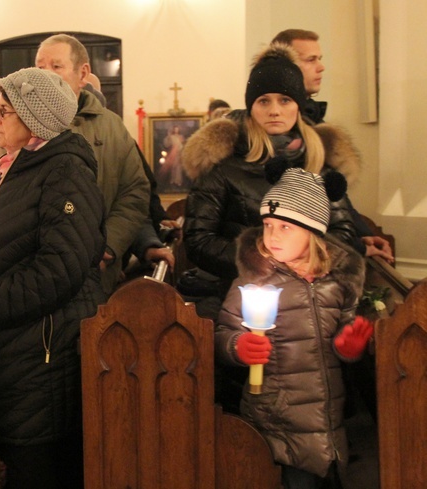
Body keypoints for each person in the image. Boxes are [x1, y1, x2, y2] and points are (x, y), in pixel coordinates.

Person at [0, 67, 106, 489]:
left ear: (35, 120)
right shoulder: (4, 169)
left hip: (42, 353)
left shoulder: (65, 171)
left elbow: (61, 267)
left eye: (4, 112)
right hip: (0, 351)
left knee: (36, 466)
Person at [215, 166, 371, 488]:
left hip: (330, 416)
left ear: (312, 232)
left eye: (285, 227)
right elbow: (223, 334)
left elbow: (346, 327)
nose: (272, 236)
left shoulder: (336, 281)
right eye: (268, 225)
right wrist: (237, 347)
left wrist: (350, 347)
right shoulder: (255, 278)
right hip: (275, 415)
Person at [182, 42, 359, 320]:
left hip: (307, 299)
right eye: (264, 101)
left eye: (285, 100)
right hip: (235, 298)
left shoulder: (318, 162)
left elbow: (342, 232)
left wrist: (305, 261)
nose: (274, 110)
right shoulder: (224, 166)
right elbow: (198, 238)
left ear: (298, 106)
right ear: (251, 107)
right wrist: (260, 263)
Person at [35, 33, 150, 295]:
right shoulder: (19, 124)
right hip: (34, 274)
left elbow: (134, 192)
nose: (47, 75)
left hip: (96, 272)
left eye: (57, 66)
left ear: (82, 73)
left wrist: (106, 247)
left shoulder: (111, 126)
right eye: (40, 68)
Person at [272, 28, 393, 263]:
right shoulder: (277, 128)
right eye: (310, 60)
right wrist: (356, 244)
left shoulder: (313, 123)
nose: (321, 67)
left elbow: (335, 196)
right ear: (287, 67)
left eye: (320, 59)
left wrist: (362, 234)